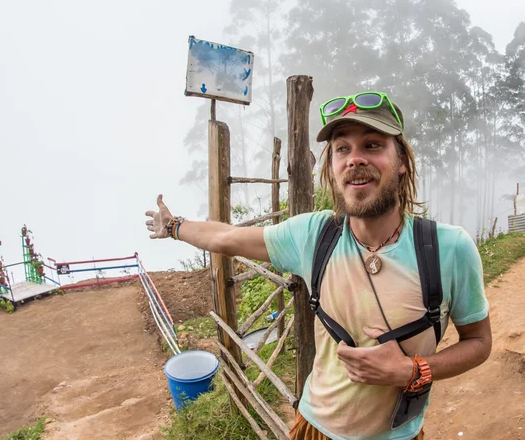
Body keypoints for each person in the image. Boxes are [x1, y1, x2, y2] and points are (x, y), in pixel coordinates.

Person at [145, 91, 492, 440]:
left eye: (372, 145)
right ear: (332, 167)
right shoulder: (313, 235)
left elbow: (478, 342)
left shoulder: (447, 249)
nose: (355, 159)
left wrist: (411, 370)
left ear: (401, 160)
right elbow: (226, 238)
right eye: (342, 149)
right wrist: (174, 226)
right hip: (314, 429)